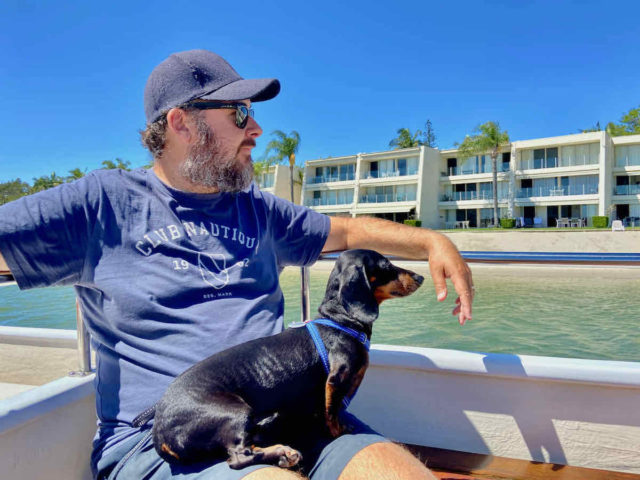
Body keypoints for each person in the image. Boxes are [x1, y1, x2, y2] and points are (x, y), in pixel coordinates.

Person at [0, 49, 474, 480]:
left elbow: (346, 232)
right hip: (165, 442)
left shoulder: (256, 209)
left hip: (291, 416)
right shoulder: (101, 203)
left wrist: (432, 241)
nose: (257, 129)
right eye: (239, 113)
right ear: (182, 123)